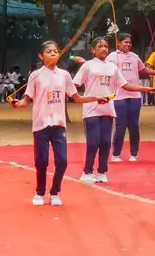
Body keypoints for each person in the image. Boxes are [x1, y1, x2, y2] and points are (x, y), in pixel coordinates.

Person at [11, 41, 108, 205]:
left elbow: (77, 98)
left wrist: (96, 97)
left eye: (55, 51)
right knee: (41, 161)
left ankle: (55, 192)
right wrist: (16, 103)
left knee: (62, 161)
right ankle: (40, 193)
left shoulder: (64, 75)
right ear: (41, 56)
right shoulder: (35, 75)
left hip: (59, 125)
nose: (53, 53)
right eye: (48, 52)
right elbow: (26, 101)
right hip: (41, 125)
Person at [72, 37, 154, 184]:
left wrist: (145, 89)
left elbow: (126, 85)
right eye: (100, 46)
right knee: (93, 142)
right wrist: (82, 98)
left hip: (108, 110)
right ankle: (87, 171)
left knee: (105, 142)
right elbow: (74, 85)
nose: (103, 49)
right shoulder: (88, 66)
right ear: (93, 50)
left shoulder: (112, 67)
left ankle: (102, 171)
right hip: (91, 110)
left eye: (105, 46)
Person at [103, 35, 155, 162]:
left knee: (133, 125)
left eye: (130, 43)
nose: (128, 45)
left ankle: (134, 153)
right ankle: (116, 153)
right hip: (119, 96)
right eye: (125, 42)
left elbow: (143, 69)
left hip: (134, 96)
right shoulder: (112, 57)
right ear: (118, 42)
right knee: (120, 125)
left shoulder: (134, 57)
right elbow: (103, 67)